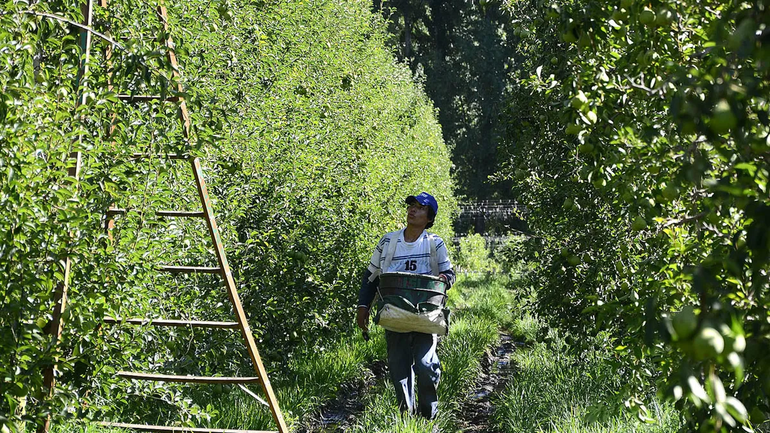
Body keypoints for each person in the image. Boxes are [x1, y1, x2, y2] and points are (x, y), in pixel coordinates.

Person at [356, 192, 456, 420]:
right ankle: (406, 417)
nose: (413, 210)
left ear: (429, 217)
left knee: (425, 365)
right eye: (412, 205)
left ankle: (429, 417)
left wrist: (444, 279)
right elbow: (371, 276)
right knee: (399, 369)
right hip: (395, 314)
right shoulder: (388, 242)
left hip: (425, 315)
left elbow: (449, 273)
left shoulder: (434, 243)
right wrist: (363, 306)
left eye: (420, 207)